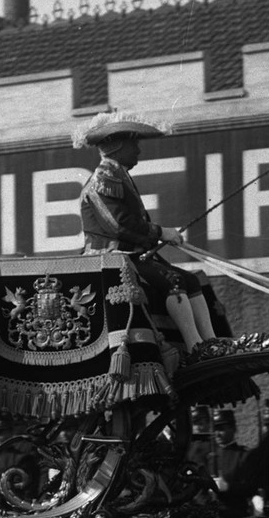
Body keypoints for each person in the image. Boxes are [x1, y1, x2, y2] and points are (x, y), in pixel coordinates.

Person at [73, 111, 217, 354]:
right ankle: (196, 347)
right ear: (116, 145)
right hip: (110, 258)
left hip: (129, 254)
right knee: (174, 281)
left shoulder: (118, 176)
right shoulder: (103, 179)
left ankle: (212, 342)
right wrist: (161, 233)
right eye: (134, 143)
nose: (138, 150)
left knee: (191, 280)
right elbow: (119, 225)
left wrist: (157, 236)